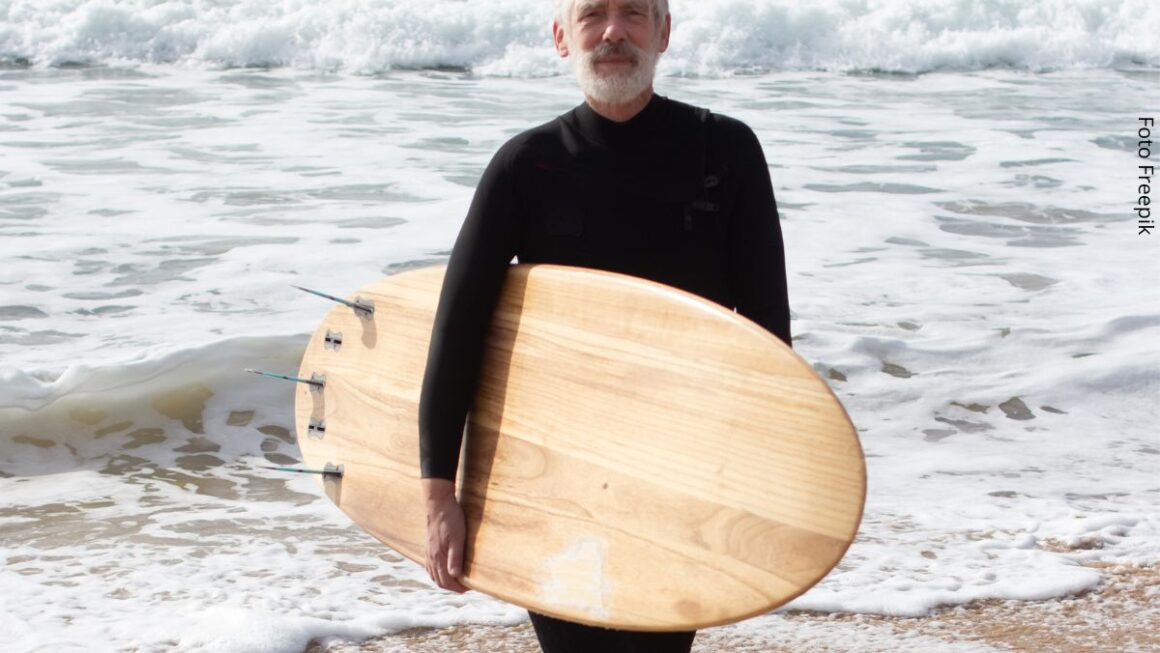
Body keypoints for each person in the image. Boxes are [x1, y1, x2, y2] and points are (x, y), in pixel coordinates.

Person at [418, 0, 791, 650]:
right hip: (552, 479)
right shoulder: (525, 166)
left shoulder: (726, 154)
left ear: (664, 32)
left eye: (634, 13)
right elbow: (458, 330)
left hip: (678, 478)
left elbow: (767, 342)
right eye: (592, 15)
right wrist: (438, 496)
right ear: (562, 38)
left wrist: (758, 503)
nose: (613, 32)